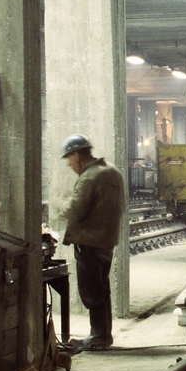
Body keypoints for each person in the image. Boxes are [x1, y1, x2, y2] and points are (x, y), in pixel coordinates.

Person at [57, 134, 125, 352]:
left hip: (90, 241)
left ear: (78, 155)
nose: (69, 164)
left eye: (69, 159)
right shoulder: (112, 171)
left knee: (92, 290)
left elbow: (74, 210)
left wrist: (59, 203)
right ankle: (104, 335)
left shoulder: (90, 177)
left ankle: (97, 336)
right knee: (102, 289)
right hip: (106, 240)